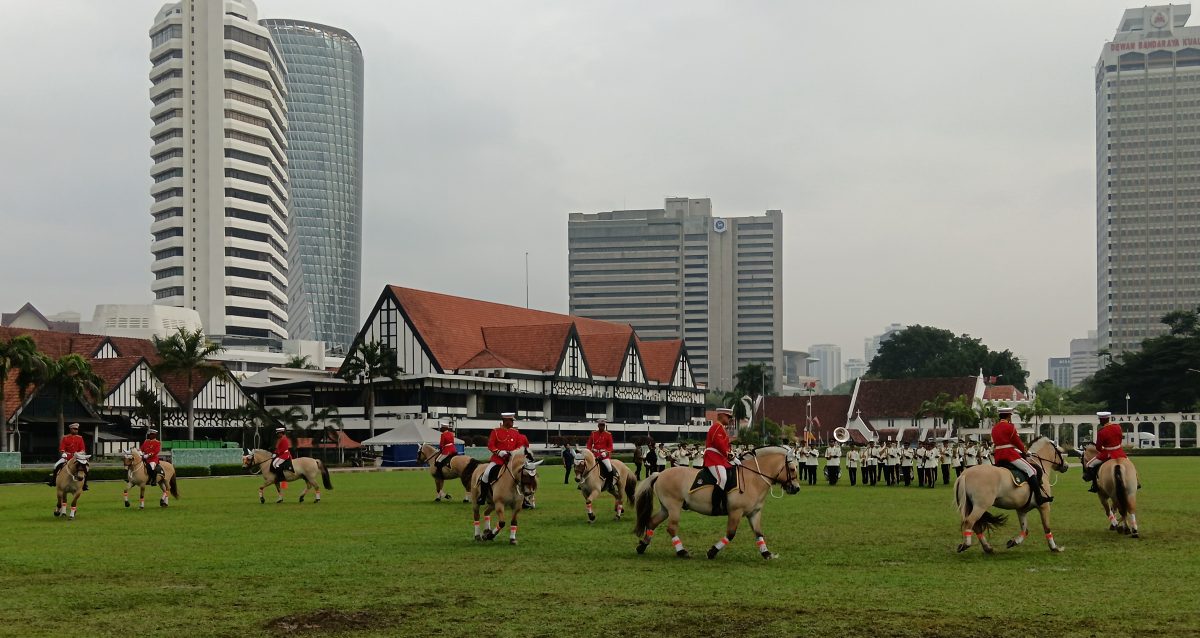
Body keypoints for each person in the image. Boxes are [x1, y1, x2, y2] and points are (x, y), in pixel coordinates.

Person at [991, 407, 1051, 505]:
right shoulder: (1010, 427)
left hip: (998, 456)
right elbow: (1017, 442)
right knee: (1032, 470)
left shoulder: (994, 428)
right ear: (1009, 416)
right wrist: (1025, 451)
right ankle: (1038, 497)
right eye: (1010, 415)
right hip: (1009, 454)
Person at [478, 413, 523, 503]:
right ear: (505, 421)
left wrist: (513, 452)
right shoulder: (495, 431)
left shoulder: (515, 433)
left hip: (511, 461)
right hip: (498, 460)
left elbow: (519, 446)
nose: (512, 423)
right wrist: (499, 452)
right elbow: (491, 445)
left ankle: (524, 498)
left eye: (512, 421)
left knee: (522, 475)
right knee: (486, 475)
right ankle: (482, 497)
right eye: (511, 421)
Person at [703, 408, 737, 512]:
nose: (729, 419)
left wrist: (732, 455)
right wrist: (728, 454)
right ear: (721, 415)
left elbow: (725, 446)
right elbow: (718, 443)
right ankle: (715, 506)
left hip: (720, 457)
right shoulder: (716, 427)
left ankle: (725, 502)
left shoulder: (721, 428)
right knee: (722, 478)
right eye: (728, 417)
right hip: (713, 457)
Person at [1083, 411, 1125, 493]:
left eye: (1100, 420)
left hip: (1107, 453)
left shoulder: (1101, 432)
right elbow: (1120, 440)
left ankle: (1094, 485)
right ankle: (1137, 482)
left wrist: (1104, 450)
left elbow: (1098, 447)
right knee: (1130, 464)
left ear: (1102, 420)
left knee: (1089, 465)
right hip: (1119, 452)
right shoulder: (1118, 427)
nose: (1100, 422)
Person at [50, 423, 88, 489]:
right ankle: (53, 481)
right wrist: (64, 453)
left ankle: (85, 485)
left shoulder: (80, 438)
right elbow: (62, 448)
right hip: (67, 457)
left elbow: (83, 449)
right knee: (56, 465)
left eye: (77, 429)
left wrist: (79, 453)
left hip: (77, 457)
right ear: (70, 429)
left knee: (85, 468)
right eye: (74, 429)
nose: (76, 430)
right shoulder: (65, 438)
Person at [587, 419, 616, 490]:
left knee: (609, 468)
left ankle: (610, 483)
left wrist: (606, 452)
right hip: (594, 454)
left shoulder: (608, 435)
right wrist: (591, 450)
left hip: (604, 456)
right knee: (586, 466)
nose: (602, 427)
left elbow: (610, 446)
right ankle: (583, 482)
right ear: (598, 425)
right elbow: (589, 445)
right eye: (600, 425)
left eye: (603, 425)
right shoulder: (593, 434)